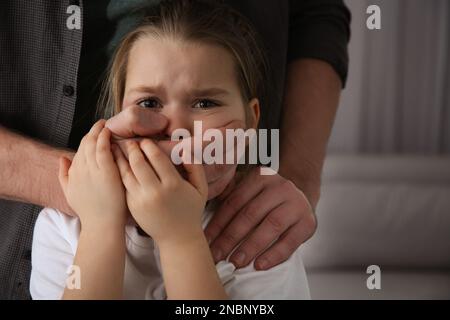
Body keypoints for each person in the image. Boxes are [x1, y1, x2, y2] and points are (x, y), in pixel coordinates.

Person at [0, 0, 350, 299]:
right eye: (150, 102)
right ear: (116, 115)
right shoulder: (61, 228)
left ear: (250, 119)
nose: (178, 130)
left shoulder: (255, 238)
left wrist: (180, 238)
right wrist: (102, 226)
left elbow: (317, 16)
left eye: (205, 102)